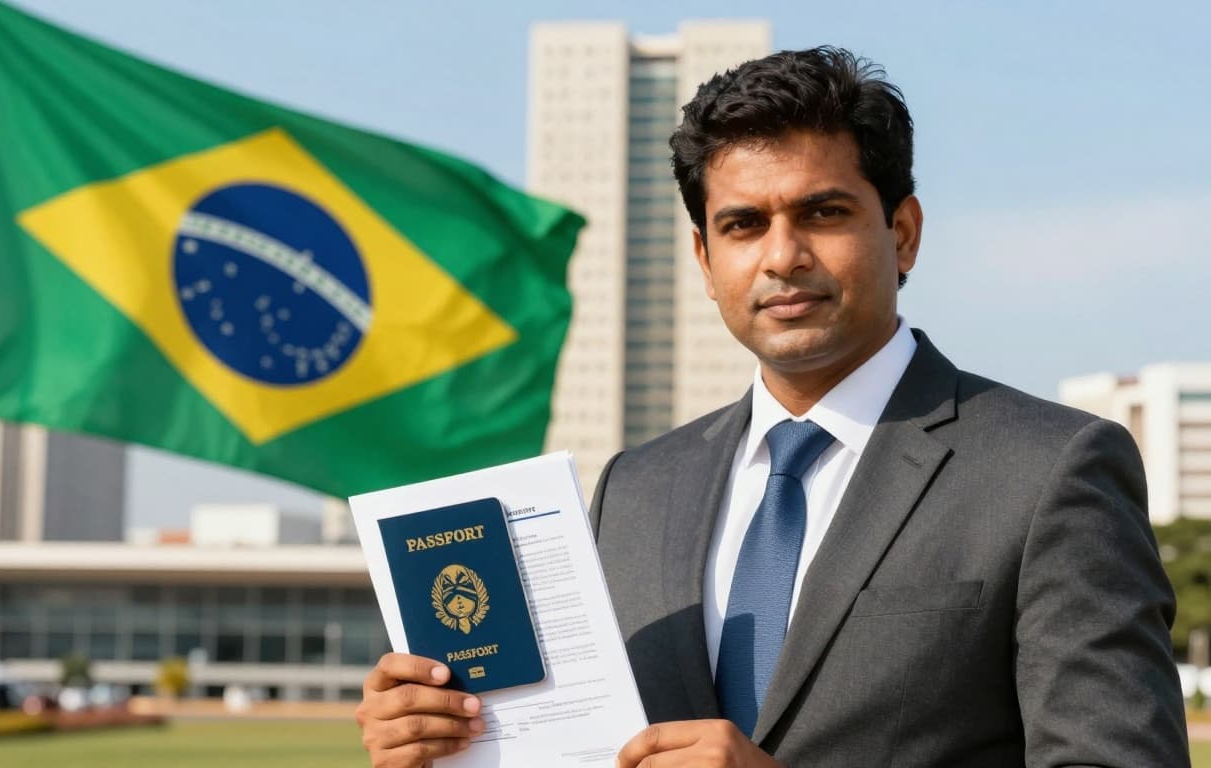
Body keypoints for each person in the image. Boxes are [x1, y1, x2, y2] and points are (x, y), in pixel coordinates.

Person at [355, 46, 1190, 767]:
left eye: (823, 213)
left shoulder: (1049, 470)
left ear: (901, 233)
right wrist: (445, 738)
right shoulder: (637, 489)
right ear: (705, 257)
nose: (782, 257)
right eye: (745, 224)